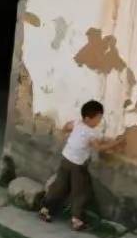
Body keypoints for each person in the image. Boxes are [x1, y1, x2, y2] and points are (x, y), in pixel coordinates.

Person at [39, 99, 123, 231]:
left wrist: (65, 133)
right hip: (77, 166)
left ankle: (45, 209)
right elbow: (99, 148)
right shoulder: (91, 132)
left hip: (66, 159)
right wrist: (117, 143)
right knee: (80, 191)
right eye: (98, 119)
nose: (99, 122)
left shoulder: (77, 123)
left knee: (59, 186)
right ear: (89, 119)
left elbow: (67, 126)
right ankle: (76, 220)